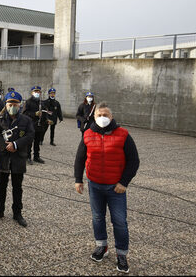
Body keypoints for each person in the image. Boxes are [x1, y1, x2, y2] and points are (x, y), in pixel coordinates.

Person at [74, 102, 139, 274]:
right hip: (94, 185)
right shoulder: (88, 134)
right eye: (99, 115)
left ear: (111, 117)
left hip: (115, 188)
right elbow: (80, 158)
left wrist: (124, 183)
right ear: (94, 117)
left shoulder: (123, 134)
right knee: (97, 217)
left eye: (106, 115)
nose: (102, 118)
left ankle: (122, 254)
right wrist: (78, 179)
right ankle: (101, 246)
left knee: (119, 222)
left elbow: (134, 161)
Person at [0, 91, 34, 227]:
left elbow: (30, 135)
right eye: (10, 103)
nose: (12, 106)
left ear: (20, 105)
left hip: (18, 158)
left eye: (15, 103)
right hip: (3, 157)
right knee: (1, 186)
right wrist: (5, 146)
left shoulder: (26, 120)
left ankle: (17, 213)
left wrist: (15, 144)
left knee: (17, 187)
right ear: (6, 104)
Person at [22, 86, 47, 164]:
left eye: (38, 92)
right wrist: (34, 114)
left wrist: (46, 120)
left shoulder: (41, 102)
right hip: (31, 125)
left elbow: (44, 112)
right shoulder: (28, 102)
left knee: (37, 142)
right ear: (32, 93)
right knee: (29, 142)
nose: (37, 93)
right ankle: (28, 157)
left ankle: (36, 156)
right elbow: (24, 113)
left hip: (39, 125)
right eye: (35, 91)